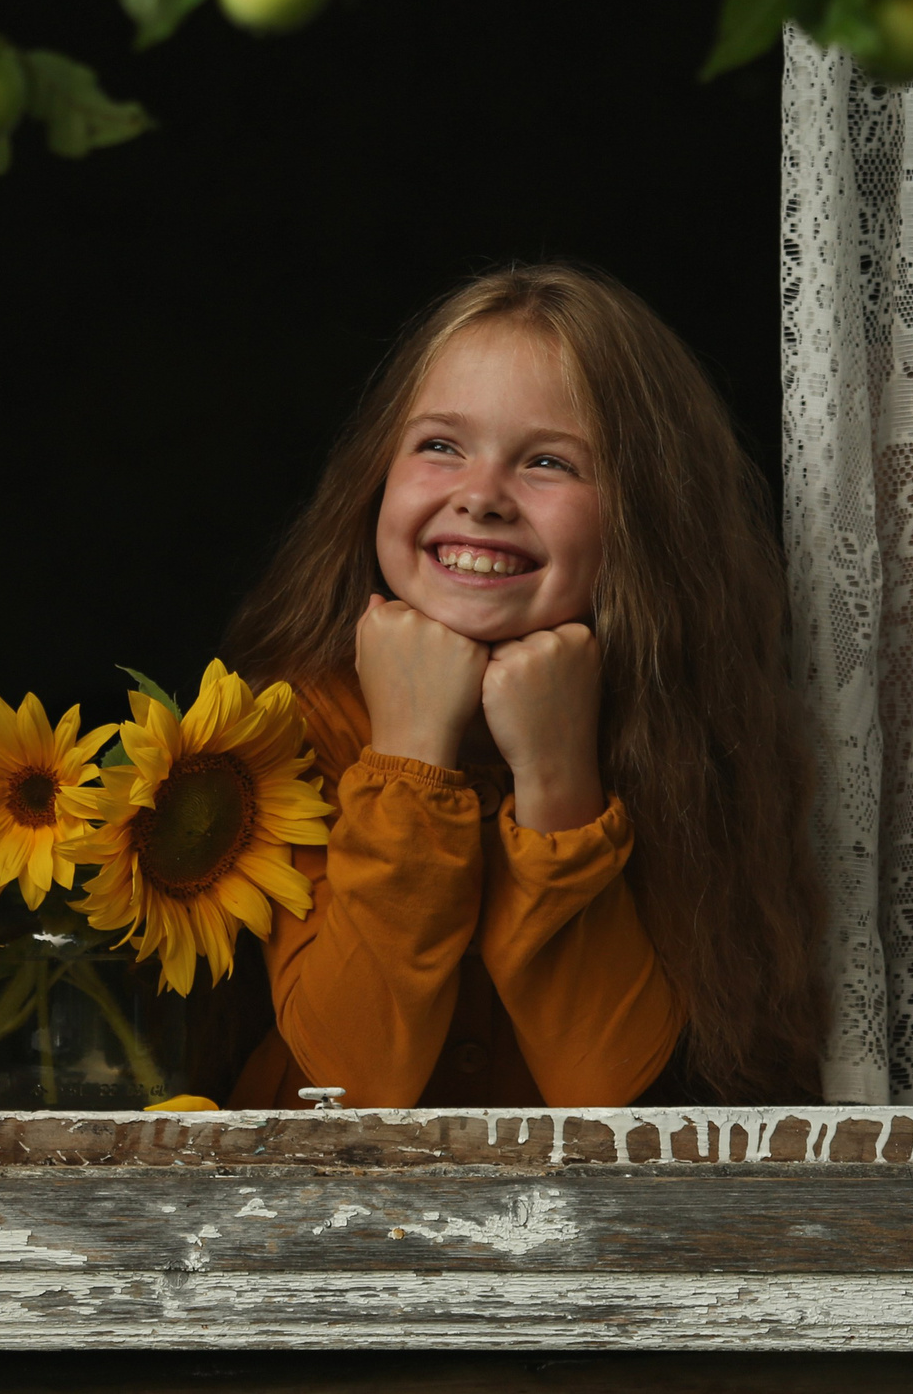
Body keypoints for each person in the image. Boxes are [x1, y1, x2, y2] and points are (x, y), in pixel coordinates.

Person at [223, 262, 825, 1110]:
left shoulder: (680, 735)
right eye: (440, 445)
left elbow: (606, 1091)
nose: (481, 496)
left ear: (644, 518)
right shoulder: (288, 727)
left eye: (549, 461)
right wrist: (408, 757)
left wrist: (556, 777)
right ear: (375, 478)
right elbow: (351, 1080)